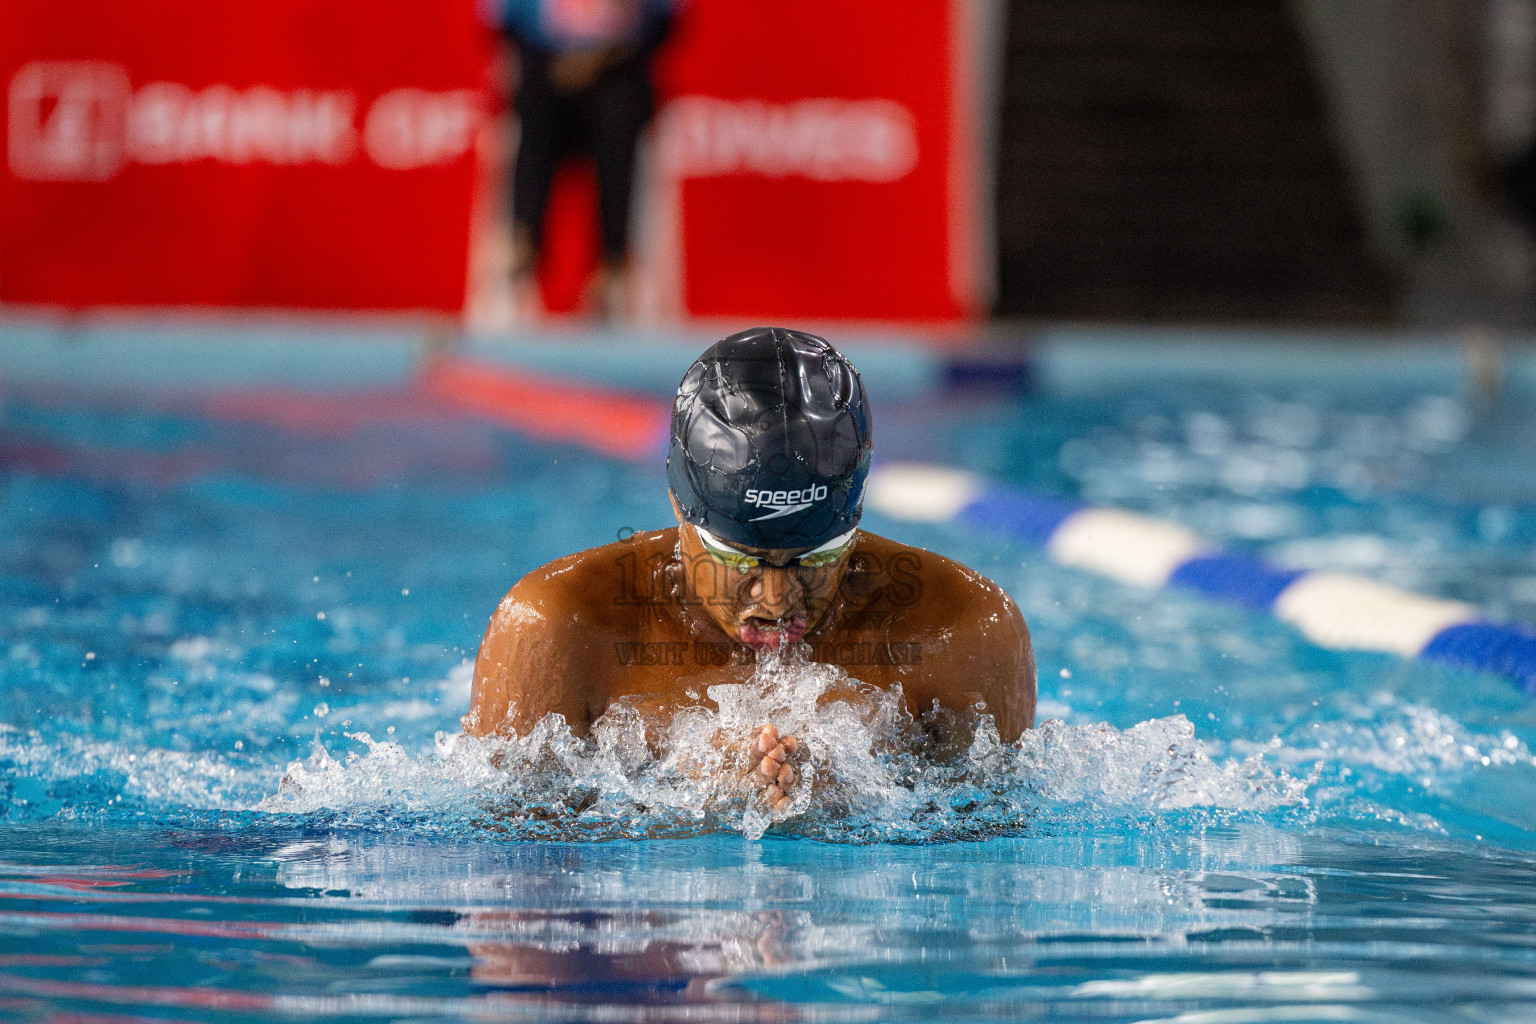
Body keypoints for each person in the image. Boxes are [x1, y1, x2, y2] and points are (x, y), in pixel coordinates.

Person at [464, 328, 1036, 808]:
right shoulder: (559, 626)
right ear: (677, 508)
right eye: (741, 560)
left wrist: (854, 801)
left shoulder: (962, 630)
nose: (778, 598)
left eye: (817, 558)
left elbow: (996, 860)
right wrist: (696, 801)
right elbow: (506, 863)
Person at [489, 0, 677, 317]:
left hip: (618, 73)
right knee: (535, 112)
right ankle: (523, 242)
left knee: (619, 115)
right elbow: (504, 24)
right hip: (548, 72)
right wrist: (557, 65)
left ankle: (613, 260)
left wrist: (598, 61)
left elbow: (664, 24)